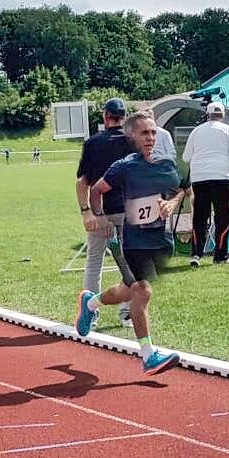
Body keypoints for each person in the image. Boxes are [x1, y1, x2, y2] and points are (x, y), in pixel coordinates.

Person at [75, 111, 185, 376]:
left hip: (156, 238)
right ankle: (148, 356)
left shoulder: (166, 164)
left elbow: (182, 190)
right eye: (144, 133)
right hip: (129, 237)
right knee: (143, 291)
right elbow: (95, 190)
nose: (150, 138)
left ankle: (91, 303)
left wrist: (170, 204)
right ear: (131, 136)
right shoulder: (124, 166)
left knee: (128, 290)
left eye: (153, 133)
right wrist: (99, 218)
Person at [76, 98, 136, 330]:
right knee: (130, 264)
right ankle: (126, 313)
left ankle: (91, 311)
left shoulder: (92, 143)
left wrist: (87, 212)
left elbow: (83, 181)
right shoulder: (132, 142)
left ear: (105, 116)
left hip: (100, 210)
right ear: (124, 116)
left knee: (94, 263)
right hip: (127, 210)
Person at [182, 102, 229, 266]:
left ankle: (196, 254)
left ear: (207, 114)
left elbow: (186, 157)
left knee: (200, 218)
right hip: (220, 177)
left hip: (199, 179)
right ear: (222, 115)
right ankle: (220, 255)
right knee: (222, 218)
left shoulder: (196, 131)